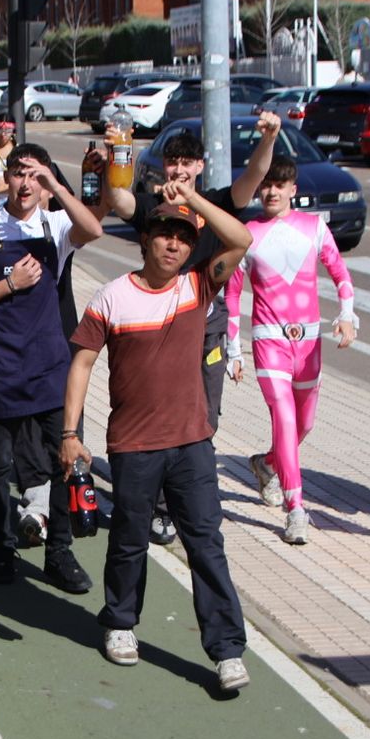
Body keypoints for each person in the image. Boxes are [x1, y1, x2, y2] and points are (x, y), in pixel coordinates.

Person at [64, 183, 254, 693]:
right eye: (165, 235)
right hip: (133, 445)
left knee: (206, 545)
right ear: (145, 240)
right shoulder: (112, 297)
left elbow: (240, 240)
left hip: (192, 444)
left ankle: (227, 651)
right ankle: (121, 623)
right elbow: (81, 363)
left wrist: (194, 197)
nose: (173, 245)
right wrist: (70, 434)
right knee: (129, 541)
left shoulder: (198, 286)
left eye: (183, 238)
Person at [102, 114, 281, 544]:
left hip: (207, 333)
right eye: (173, 163)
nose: (179, 170)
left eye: (187, 163)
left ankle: (188, 502)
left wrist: (269, 138)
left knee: (205, 418)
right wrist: (114, 156)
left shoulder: (217, 202)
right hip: (161, 331)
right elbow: (119, 200)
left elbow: (254, 178)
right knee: (159, 416)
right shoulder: (153, 207)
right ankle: (160, 508)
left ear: (200, 166)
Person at [0, 143, 102, 593]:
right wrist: (9, 283)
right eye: (18, 173)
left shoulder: (56, 225)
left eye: (35, 175)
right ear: (7, 177)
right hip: (0, 366)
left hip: (50, 366)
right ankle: (2, 546)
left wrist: (57, 184)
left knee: (62, 461)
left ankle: (59, 552)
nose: (25, 183)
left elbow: (94, 228)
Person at [223, 155, 357, 545]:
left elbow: (340, 273)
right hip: (269, 340)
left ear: (292, 190)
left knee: (304, 424)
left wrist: (347, 315)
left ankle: (267, 464)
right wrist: (234, 350)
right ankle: (295, 508)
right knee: (283, 418)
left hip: (309, 341)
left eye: (279, 185)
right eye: (265, 185)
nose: (271, 192)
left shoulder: (314, 228)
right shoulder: (247, 233)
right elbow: (232, 295)